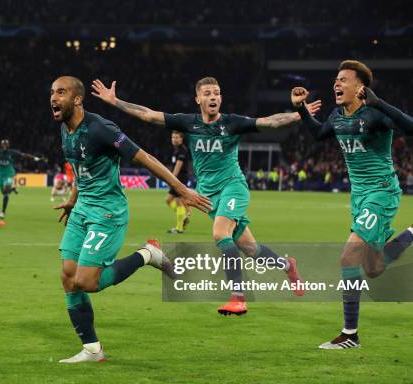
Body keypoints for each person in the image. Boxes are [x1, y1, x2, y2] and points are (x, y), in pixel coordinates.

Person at [91, 77, 320, 315]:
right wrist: (115, 101)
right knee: (251, 249)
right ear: (198, 99)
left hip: (233, 187)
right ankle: (287, 265)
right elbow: (149, 115)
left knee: (220, 233)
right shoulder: (188, 123)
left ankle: (238, 297)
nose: (213, 97)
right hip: (209, 196)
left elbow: (270, 123)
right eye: (208, 93)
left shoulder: (233, 123)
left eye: (217, 93)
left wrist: (299, 113)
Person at [51, 76, 212, 363]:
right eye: (52, 92)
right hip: (83, 208)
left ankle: (148, 254)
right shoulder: (66, 129)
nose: (54, 97)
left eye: (61, 92)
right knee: (67, 276)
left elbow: (144, 156)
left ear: (77, 99)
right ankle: (92, 349)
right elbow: (79, 165)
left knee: (87, 282)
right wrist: (73, 200)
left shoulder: (100, 128)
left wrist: (182, 190)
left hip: (107, 212)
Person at [291, 60, 413, 349]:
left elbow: (410, 127)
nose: (337, 84)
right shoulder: (337, 116)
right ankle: (410, 234)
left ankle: (350, 335)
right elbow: (319, 134)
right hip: (359, 197)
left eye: (344, 79)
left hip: (381, 193)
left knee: (348, 257)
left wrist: (379, 102)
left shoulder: (375, 115)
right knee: (374, 268)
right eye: (336, 79)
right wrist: (300, 109)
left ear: (361, 88)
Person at [166, 130, 191, 233]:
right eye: (173, 137)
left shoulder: (182, 150)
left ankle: (179, 228)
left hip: (180, 178)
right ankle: (184, 216)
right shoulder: (176, 150)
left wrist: (172, 178)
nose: (174, 140)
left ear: (181, 139)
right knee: (168, 200)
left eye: (177, 138)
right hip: (178, 178)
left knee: (178, 201)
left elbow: (178, 165)